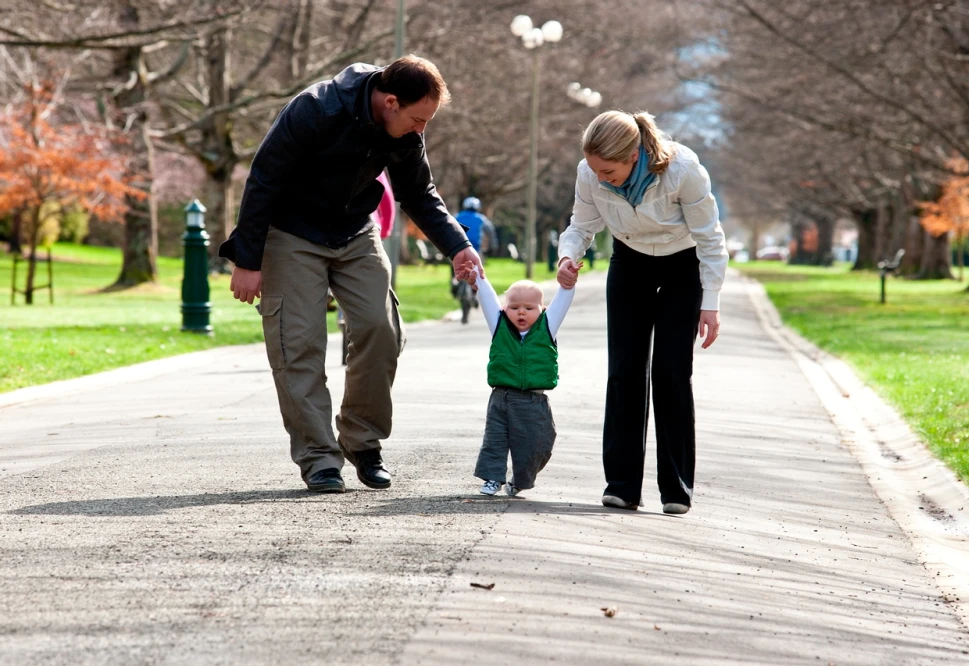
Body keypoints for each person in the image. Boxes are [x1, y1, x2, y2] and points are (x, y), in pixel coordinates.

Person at [221, 55, 483, 494]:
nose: (422, 130)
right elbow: (263, 179)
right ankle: (319, 458)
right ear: (391, 101)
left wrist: (459, 246)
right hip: (291, 232)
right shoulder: (316, 108)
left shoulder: (405, 132)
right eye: (418, 119)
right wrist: (248, 261)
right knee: (298, 343)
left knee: (381, 328)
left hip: (355, 231)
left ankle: (362, 441)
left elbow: (419, 193)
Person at [556, 110, 727, 516]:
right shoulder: (589, 172)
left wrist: (711, 302)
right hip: (629, 262)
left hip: (682, 265)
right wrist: (567, 256)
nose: (600, 178)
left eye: (608, 170)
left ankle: (677, 488)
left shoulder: (683, 169)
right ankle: (622, 485)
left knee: (671, 372)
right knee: (625, 371)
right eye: (595, 169)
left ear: (635, 154)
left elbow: (710, 238)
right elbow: (582, 225)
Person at [468, 270, 575, 497]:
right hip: (501, 398)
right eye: (514, 307)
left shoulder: (548, 327)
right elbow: (487, 299)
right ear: (505, 309)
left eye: (529, 307)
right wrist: (479, 277)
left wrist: (568, 284)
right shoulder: (499, 326)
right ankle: (492, 479)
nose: (521, 312)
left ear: (542, 310)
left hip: (533, 401)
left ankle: (520, 480)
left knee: (538, 446)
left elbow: (562, 300)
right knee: (494, 440)